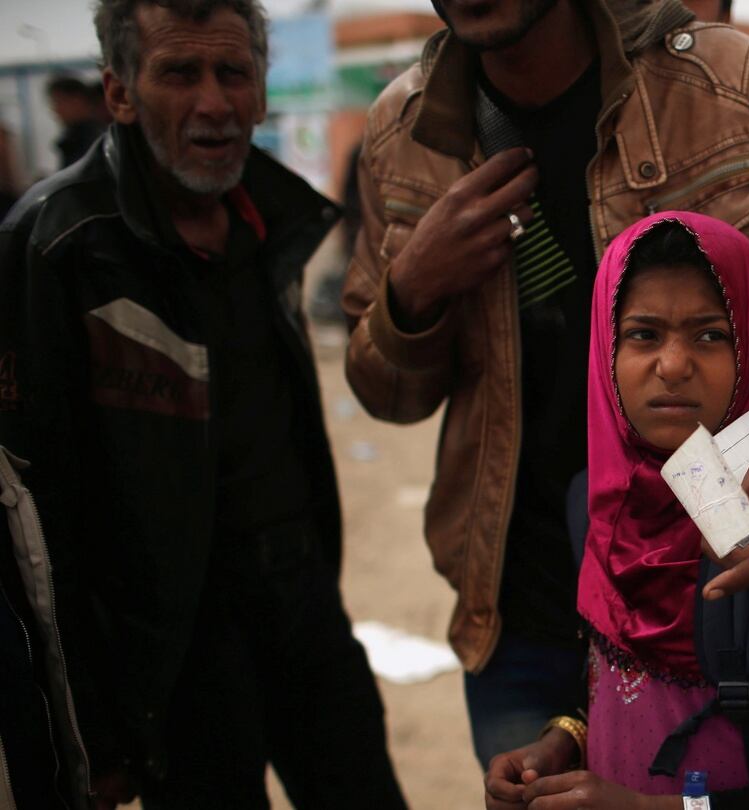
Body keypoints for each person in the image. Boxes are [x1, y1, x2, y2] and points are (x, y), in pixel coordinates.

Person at [342, 0, 749, 769]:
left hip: (717, 601)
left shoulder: (726, 86)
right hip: (525, 611)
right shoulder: (402, 132)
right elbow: (387, 395)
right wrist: (412, 288)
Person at [0, 1, 407, 807]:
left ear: (261, 92)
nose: (214, 102)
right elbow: (34, 516)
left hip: (302, 605)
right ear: (120, 92)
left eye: (233, 73)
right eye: (180, 74)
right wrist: (88, 723)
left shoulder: (274, 219)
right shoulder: (57, 244)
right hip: (172, 648)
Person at [486, 213, 749, 810]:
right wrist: (563, 743)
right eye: (644, 335)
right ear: (605, 348)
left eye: (709, 336)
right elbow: (617, 692)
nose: (673, 365)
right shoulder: (598, 509)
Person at [45, 74, 107, 168]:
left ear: (78, 100)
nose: (56, 110)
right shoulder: (77, 136)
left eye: (59, 102)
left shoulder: (89, 137)